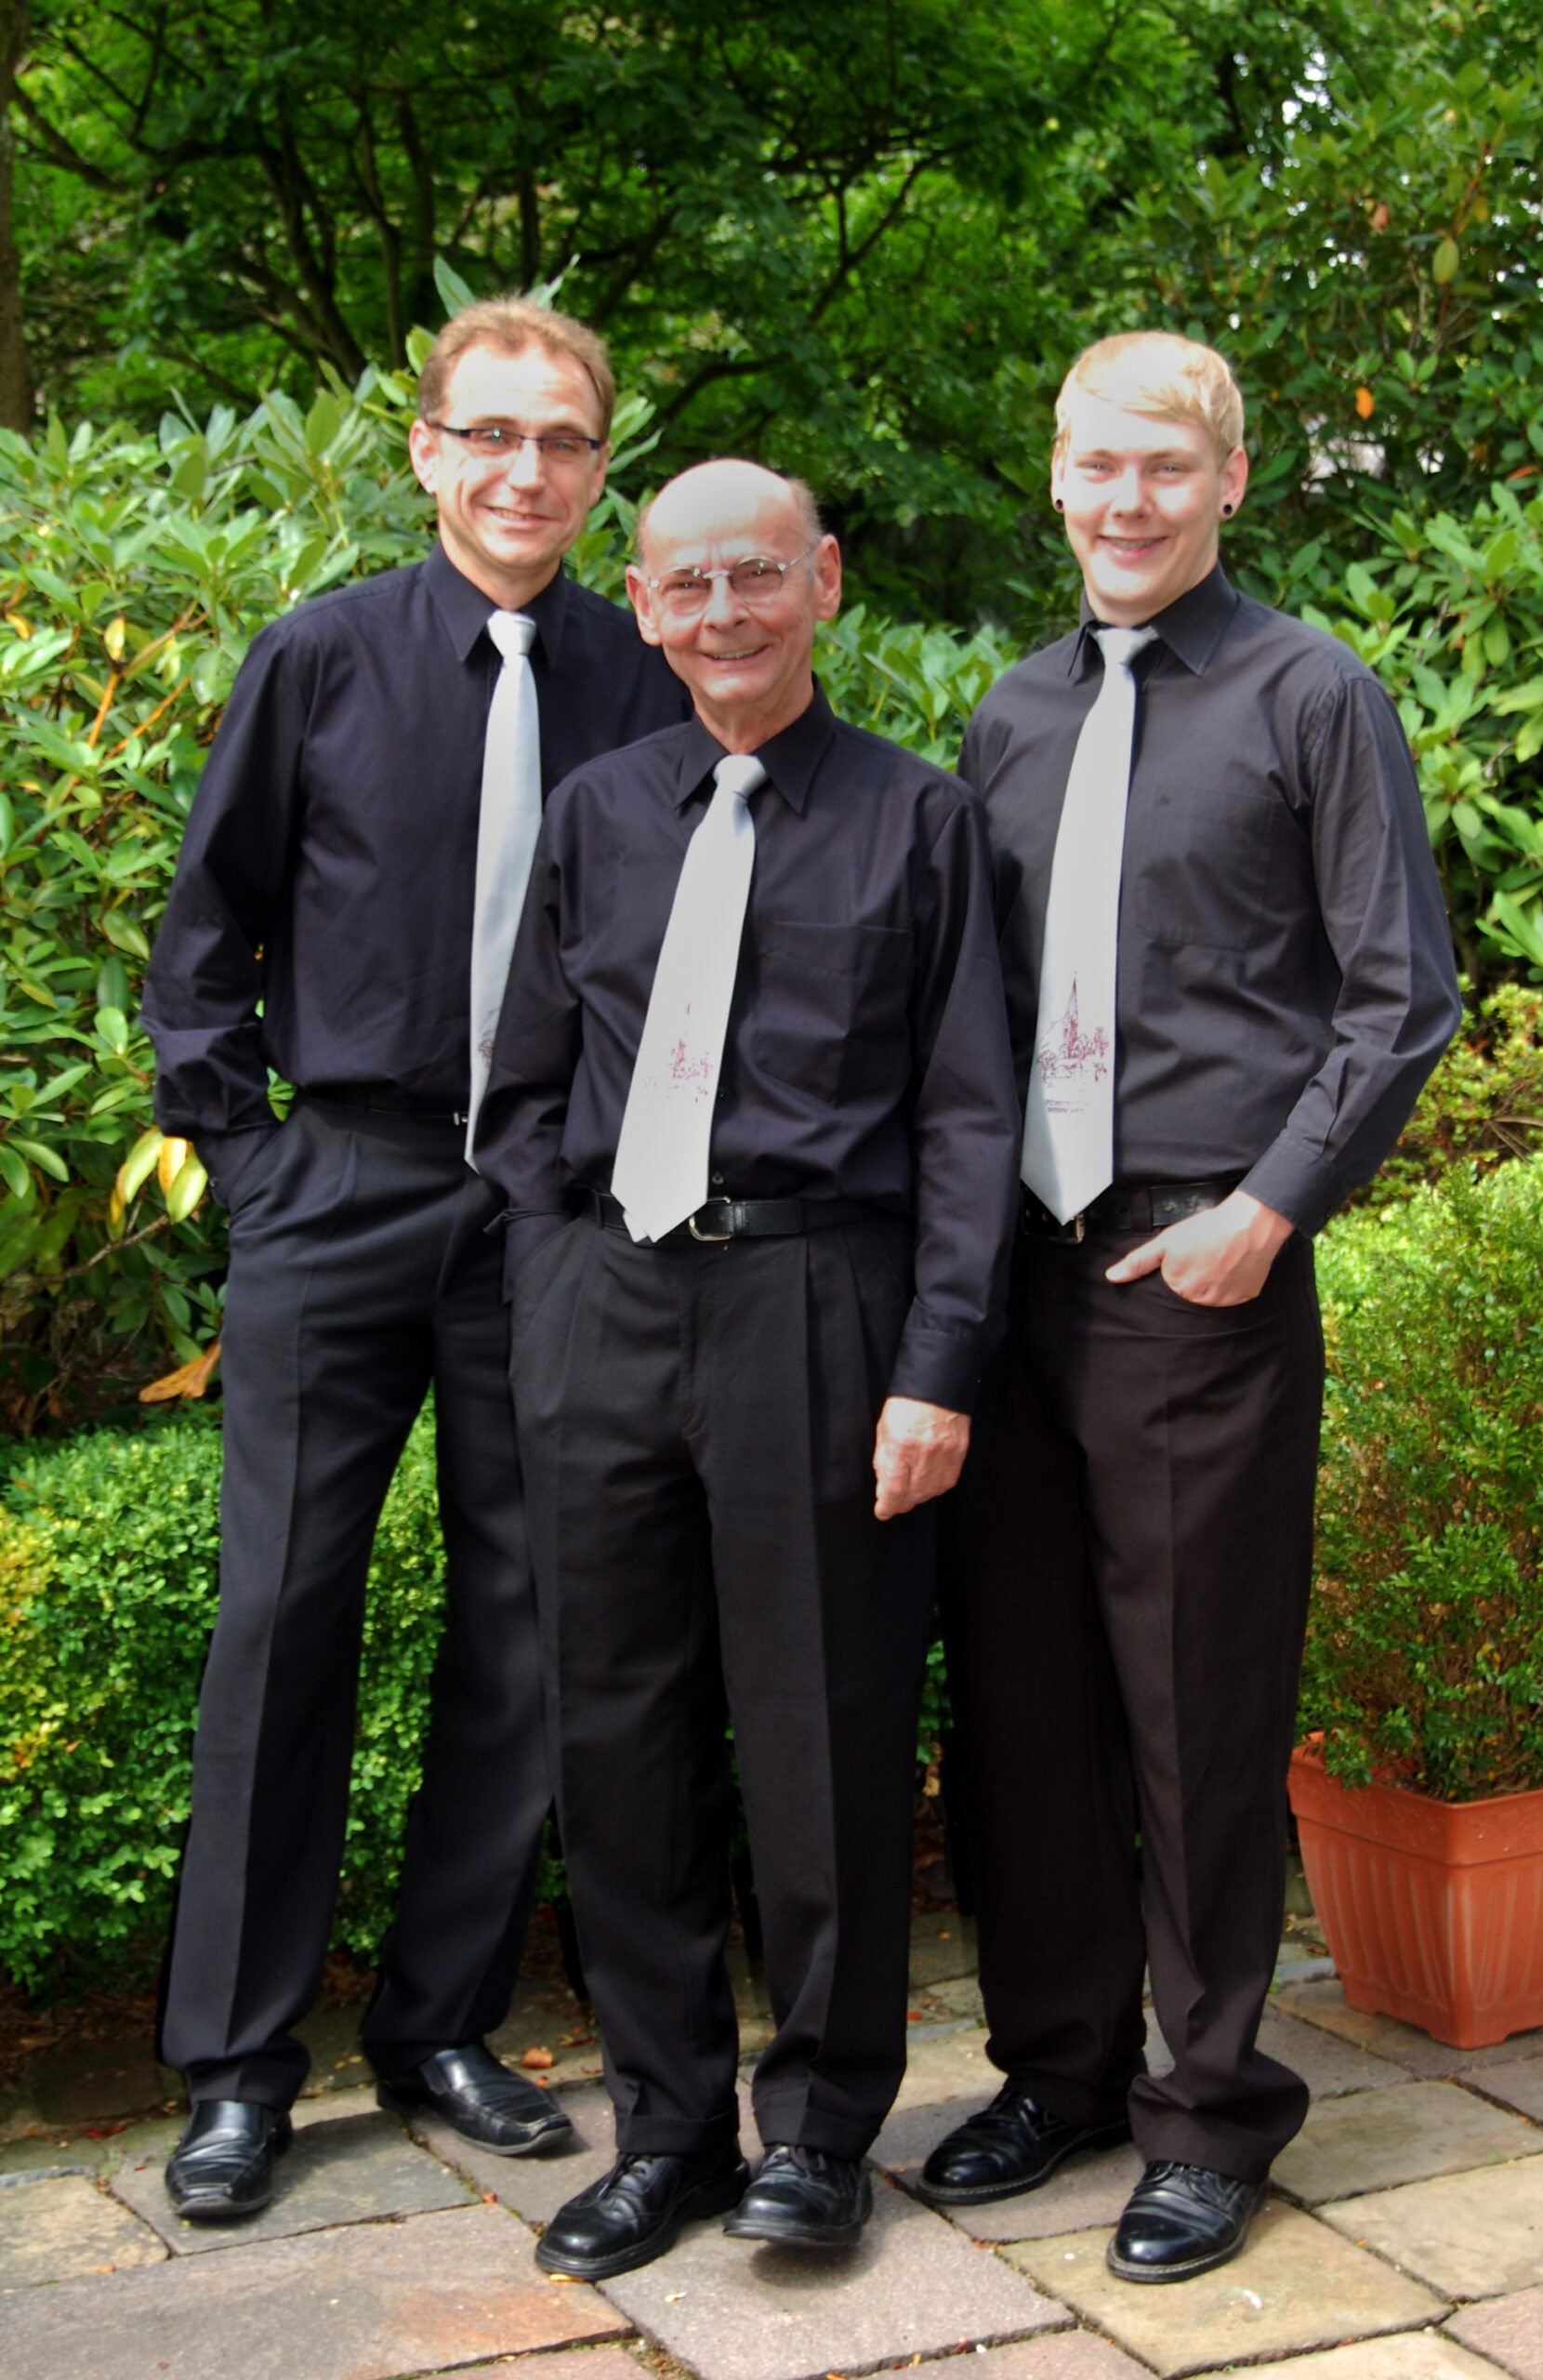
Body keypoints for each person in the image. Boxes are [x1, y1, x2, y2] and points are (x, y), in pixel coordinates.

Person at [141, 297, 690, 2222]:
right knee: (283, 1611)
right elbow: (201, 938)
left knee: (533, 1616)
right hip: (345, 1185)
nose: (526, 470)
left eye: (563, 439)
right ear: (427, 451)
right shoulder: (319, 658)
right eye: (493, 435)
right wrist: (254, 1164)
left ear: (598, 464)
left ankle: (442, 2019)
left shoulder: (645, 678)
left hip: (548, 1210)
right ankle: (235, 2067)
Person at [922, 332, 1459, 2282]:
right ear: (1054, 478)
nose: (1127, 500)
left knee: (1194, 1712)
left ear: (1229, 479)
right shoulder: (1008, 715)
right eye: (1097, 465)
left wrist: (1263, 1212)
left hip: (1194, 1276)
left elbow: (1396, 994)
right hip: (1015, 1281)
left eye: (1166, 465)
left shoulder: (1311, 696)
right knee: (1026, 1711)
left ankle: (1211, 2104)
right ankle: (1058, 2069)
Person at [471, 457, 1020, 2277]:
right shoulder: (594, 814)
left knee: (822, 1731)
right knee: (615, 1734)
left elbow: (967, 1118)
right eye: (687, 584)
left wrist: (935, 1361)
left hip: (813, 1299)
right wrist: (550, 1291)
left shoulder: (920, 822)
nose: (724, 612)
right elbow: (524, 1085)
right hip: (607, 1304)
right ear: (639, 605)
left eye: (757, 575)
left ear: (823, 582)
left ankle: (821, 2131)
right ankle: (666, 2135)